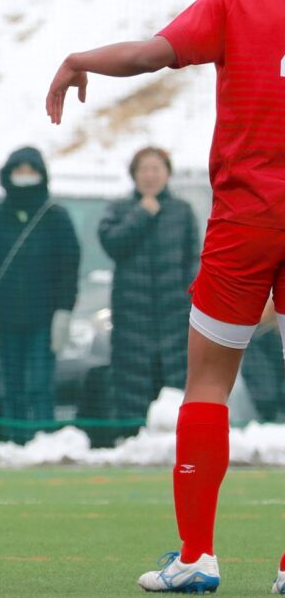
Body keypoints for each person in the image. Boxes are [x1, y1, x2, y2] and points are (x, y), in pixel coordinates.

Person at [47, 0, 285, 596]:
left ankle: (198, 556)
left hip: (247, 217)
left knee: (208, 384)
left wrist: (79, 59)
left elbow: (152, 53)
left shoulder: (235, 1)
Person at [0, 147, 80, 432]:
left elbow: (69, 268)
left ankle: (44, 438)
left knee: (40, 385)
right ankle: (14, 439)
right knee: (11, 385)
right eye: (20, 170)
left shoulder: (56, 216)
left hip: (44, 316)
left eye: (31, 170)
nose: (25, 176)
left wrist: (64, 312)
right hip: (5, 317)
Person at [98, 146, 198, 424]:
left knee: (176, 380)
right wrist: (141, 214)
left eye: (156, 169)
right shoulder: (119, 209)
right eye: (144, 169)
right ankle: (132, 436)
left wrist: (190, 301)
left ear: (167, 173)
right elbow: (111, 243)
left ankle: (177, 438)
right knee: (132, 384)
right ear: (133, 174)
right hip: (132, 319)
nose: (150, 176)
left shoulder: (182, 211)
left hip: (175, 316)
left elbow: (194, 259)